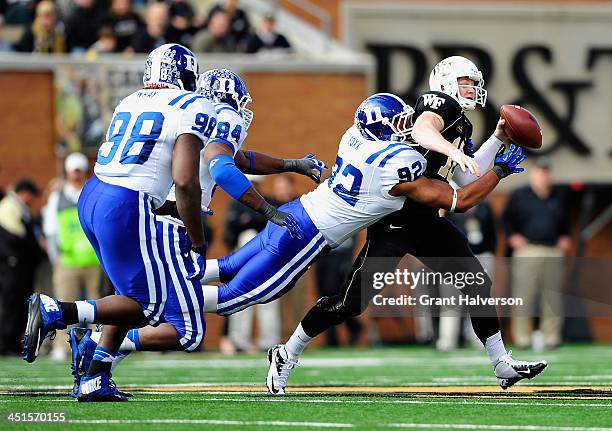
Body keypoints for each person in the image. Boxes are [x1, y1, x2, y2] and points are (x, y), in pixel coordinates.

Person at [265, 56, 547, 395]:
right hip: (395, 220)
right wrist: (454, 152)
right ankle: (286, 352)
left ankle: (501, 363)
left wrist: (499, 138)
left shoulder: (461, 123)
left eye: (474, 83)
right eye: (465, 82)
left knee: (476, 282)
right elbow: (422, 129)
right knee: (350, 304)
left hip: (426, 220)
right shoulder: (438, 103)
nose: (472, 89)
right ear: (444, 82)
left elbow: (463, 174)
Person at [64, 68, 328, 395]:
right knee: (191, 323)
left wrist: (291, 164)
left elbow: (240, 158)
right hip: (171, 223)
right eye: (240, 101)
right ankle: (83, 331)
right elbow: (221, 166)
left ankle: (97, 367)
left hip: (148, 214)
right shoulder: (222, 114)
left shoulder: (192, 113)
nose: (243, 110)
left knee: (144, 297)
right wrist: (267, 209)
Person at [23, 44, 212, 402]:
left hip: (94, 194)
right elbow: (185, 180)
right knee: (150, 305)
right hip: (127, 202)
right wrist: (197, 238)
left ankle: (95, 376)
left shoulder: (129, 100)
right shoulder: (192, 104)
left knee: (129, 294)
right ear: (185, 75)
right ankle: (58, 311)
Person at [503, 157, 570, 349]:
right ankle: (523, 338)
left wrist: (565, 237)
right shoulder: (520, 195)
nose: (544, 176)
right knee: (524, 296)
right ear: (533, 174)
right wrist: (513, 237)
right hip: (527, 250)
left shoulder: (558, 195)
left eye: (546, 172)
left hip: (553, 250)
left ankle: (551, 337)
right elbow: (506, 220)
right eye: (540, 172)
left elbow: (565, 222)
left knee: (552, 297)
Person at [43, 153, 101, 360]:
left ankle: (100, 345)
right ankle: (63, 346)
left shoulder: (92, 193)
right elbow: (51, 229)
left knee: (100, 305)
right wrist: (55, 257)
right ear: (68, 172)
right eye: (73, 171)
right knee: (65, 305)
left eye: (80, 170)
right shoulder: (57, 197)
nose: (77, 175)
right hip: (67, 261)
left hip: (94, 260)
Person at [438, 200, 497, 351]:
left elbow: (492, 233)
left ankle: (479, 339)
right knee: (451, 301)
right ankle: (447, 340)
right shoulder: (449, 205)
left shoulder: (484, 206)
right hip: (455, 257)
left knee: (479, 300)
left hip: (480, 255)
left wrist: (489, 253)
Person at [0, 180, 43, 356]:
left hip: (19, 266)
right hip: (12, 266)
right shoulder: (9, 206)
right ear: (24, 193)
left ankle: (11, 342)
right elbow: (13, 236)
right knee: (10, 304)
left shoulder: (16, 207)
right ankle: (5, 343)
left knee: (18, 305)